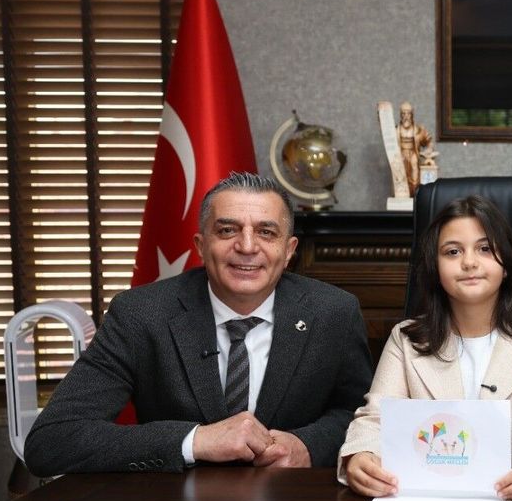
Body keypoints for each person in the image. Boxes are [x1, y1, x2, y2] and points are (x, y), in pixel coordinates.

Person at [24, 172, 374, 475]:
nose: (247, 246)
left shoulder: (333, 313)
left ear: (289, 250)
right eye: (227, 230)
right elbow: (51, 441)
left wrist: (308, 445)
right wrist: (194, 441)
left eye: (266, 232)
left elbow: (362, 416)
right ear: (201, 246)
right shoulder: (140, 314)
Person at [339, 195, 512, 501]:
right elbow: (375, 420)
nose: (469, 262)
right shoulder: (405, 341)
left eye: (485, 249)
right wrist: (361, 455)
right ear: (436, 267)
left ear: (506, 265)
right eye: (453, 251)